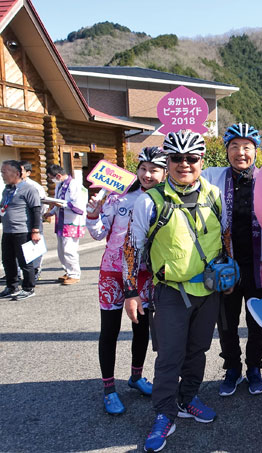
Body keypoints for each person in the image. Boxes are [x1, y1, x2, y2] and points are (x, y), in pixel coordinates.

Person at [123, 131, 229, 453]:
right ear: (166, 162)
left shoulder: (214, 194)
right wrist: (131, 292)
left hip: (209, 291)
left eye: (191, 158)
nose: (184, 164)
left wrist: (229, 267)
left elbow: (223, 236)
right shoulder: (150, 200)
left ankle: (188, 398)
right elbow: (132, 248)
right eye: (176, 159)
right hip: (170, 292)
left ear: (202, 161)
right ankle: (164, 413)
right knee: (169, 356)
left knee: (198, 351)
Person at [86, 148, 167, 415]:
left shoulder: (166, 199)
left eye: (154, 169)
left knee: (141, 328)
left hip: (144, 275)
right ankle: (109, 389)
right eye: (143, 168)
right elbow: (98, 234)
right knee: (109, 331)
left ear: (164, 173)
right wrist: (93, 214)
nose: (147, 174)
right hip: (112, 273)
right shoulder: (118, 196)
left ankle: (136, 377)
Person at [202, 123, 262, 396]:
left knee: (258, 321)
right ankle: (232, 368)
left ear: (256, 151)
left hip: (261, 264)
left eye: (246, 147)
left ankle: (255, 367)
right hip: (226, 266)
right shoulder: (212, 177)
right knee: (226, 322)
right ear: (226, 150)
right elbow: (182, 175)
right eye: (234, 146)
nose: (240, 152)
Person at [0, 160, 41, 300]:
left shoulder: (29, 189)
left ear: (17, 173)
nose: (2, 174)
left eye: (4, 172)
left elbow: (36, 210)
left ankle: (28, 288)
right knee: (7, 260)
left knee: (25, 261)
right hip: (8, 231)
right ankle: (11, 286)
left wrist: (36, 230)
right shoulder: (7, 189)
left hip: (23, 231)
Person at [44, 164, 86, 285]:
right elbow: (57, 200)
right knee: (61, 250)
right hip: (61, 220)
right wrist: (51, 212)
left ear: (58, 175)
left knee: (69, 249)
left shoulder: (74, 184)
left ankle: (75, 274)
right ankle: (68, 271)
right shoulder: (59, 185)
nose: (52, 180)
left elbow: (78, 204)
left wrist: (62, 205)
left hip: (72, 221)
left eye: (52, 177)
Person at [19, 161, 46, 279]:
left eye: (21, 171)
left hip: (33, 220)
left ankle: (36, 269)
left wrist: (38, 218)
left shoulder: (35, 187)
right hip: (19, 223)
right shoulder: (14, 185)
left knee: (35, 246)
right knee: (19, 247)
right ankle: (17, 272)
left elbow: (43, 205)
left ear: (28, 172)